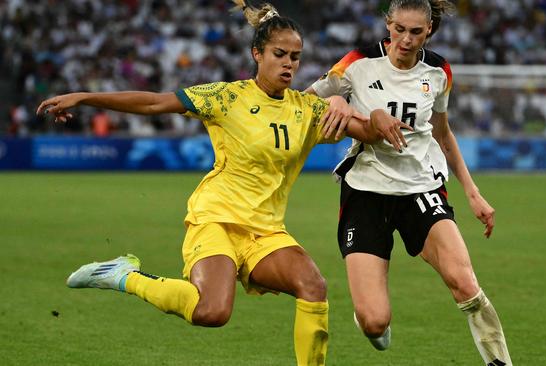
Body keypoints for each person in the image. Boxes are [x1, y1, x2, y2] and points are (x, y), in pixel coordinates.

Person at [36, 2, 409, 365]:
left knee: (313, 286)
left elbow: (369, 132)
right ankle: (124, 276)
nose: (289, 64)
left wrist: (370, 111)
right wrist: (85, 97)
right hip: (215, 220)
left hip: (265, 231)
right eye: (280, 54)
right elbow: (154, 103)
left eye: (295, 57)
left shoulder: (308, 110)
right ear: (257, 54)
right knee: (211, 311)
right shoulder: (226, 97)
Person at [305, 0, 513, 364]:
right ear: (388, 25)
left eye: (415, 32)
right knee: (374, 322)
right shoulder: (356, 63)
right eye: (399, 29)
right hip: (367, 192)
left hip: (422, 188)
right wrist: (337, 102)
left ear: (428, 31)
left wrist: (473, 192)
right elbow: (302, 103)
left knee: (466, 285)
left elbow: (443, 133)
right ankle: (371, 321)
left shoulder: (438, 71)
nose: (405, 39)